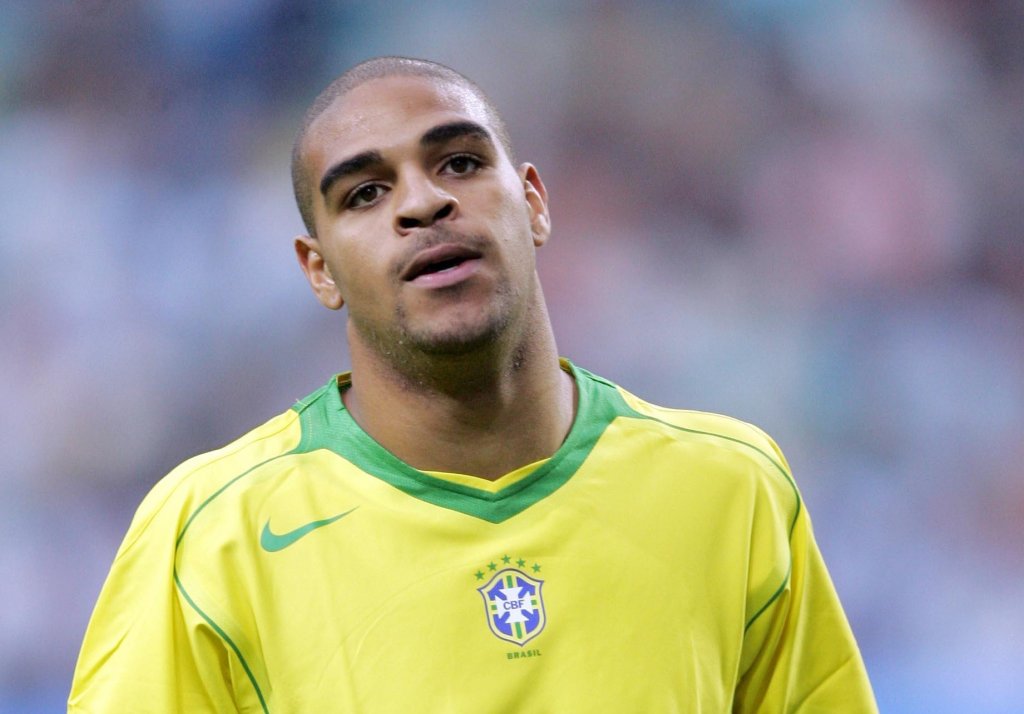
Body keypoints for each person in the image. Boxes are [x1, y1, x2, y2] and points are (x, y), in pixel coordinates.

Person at [69, 56, 877, 712]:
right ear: (320, 271)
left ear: (534, 202)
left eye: (459, 162)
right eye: (365, 193)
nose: (424, 202)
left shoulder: (733, 488)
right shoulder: (212, 535)